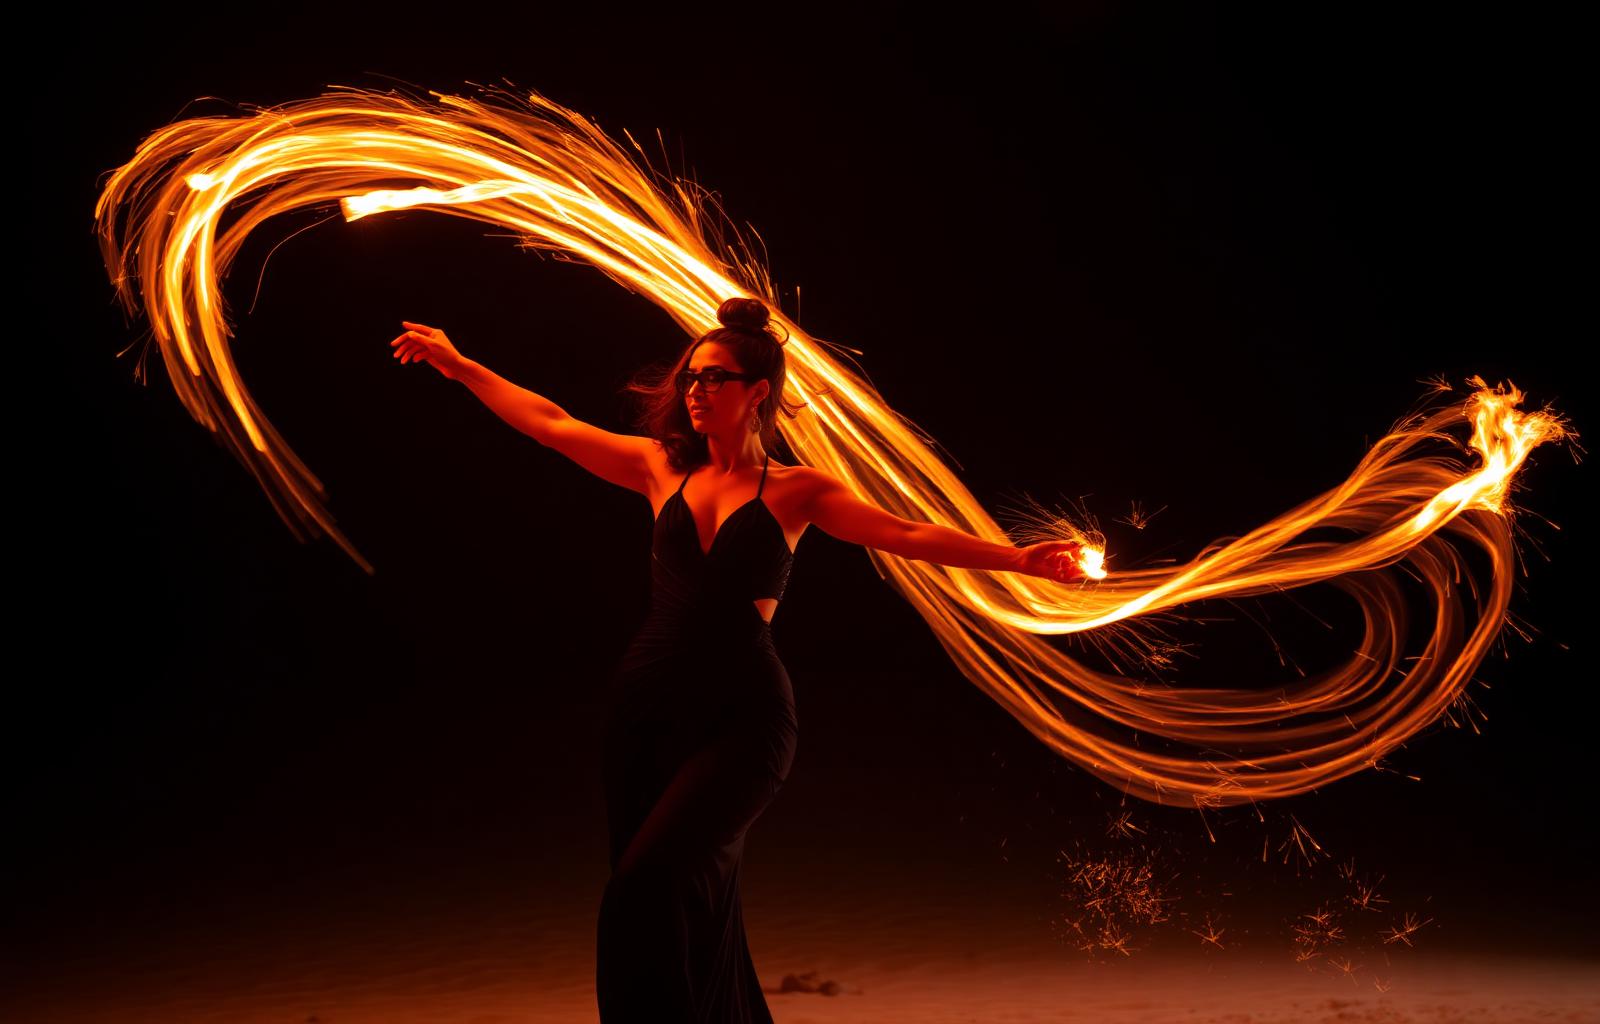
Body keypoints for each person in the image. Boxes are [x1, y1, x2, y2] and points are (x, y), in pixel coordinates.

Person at [388, 298, 1086, 1021]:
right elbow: (550, 423)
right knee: (671, 899)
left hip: (745, 716)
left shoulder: (797, 490)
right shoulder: (659, 466)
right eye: (691, 377)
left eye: (714, 378)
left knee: (647, 884)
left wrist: (1017, 559)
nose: (695, 390)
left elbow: (904, 533)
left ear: (758, 393)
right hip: (645, 711)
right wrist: (460, 366)